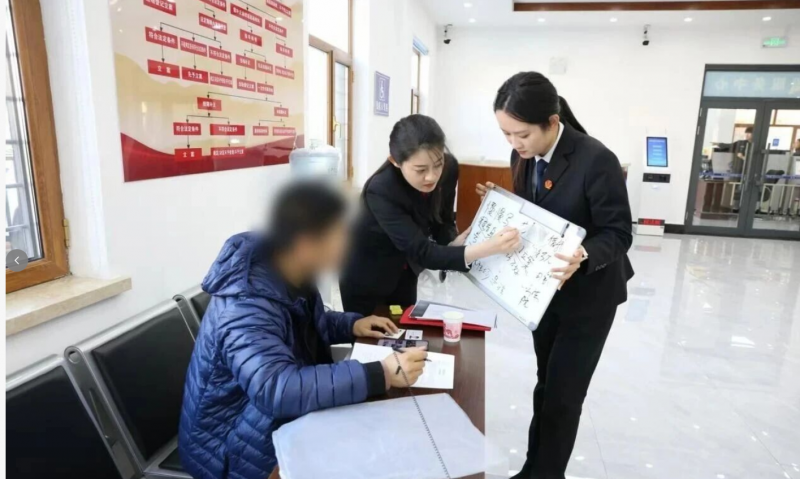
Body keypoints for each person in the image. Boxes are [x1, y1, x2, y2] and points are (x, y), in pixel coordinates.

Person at [178, 181, 428, 479]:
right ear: (306, 243)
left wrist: (351, 324)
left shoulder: (288, 268)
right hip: (232, 450)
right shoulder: (244, 306)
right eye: (342, 234)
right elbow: (276, 388)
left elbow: (302, 325)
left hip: (267, 423)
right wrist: (380, 373)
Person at [476, 72, 633, 479]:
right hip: (544, 291)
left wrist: (583, 253)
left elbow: (618, 233)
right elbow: (539, 215)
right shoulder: (523, 156)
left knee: (564, 396)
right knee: (546, 384)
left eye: (522, 134)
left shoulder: (595, 160)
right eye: (506, 134)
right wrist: (502, 204)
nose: (515, 143)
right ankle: (534, 469)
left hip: (589, 295)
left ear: (551, 121)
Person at [339, 114, 521, 316]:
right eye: (420, 170)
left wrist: (451, 242)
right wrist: (488, 248)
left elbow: (442, 220)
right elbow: (422, 251)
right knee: (372, 334)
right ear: (395, 161)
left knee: (404, 328)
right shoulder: (381, 189)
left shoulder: (449, 168)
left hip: (406, 274)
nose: (431, 176)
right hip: (368, 278)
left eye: (437, 164)